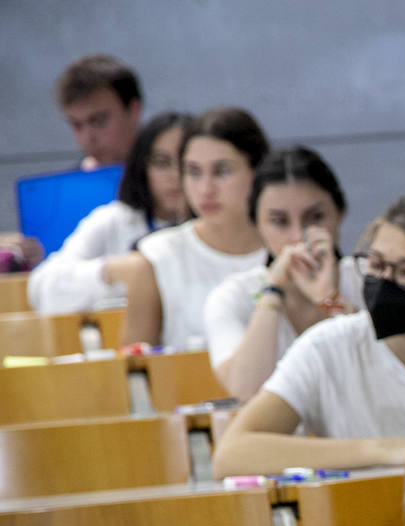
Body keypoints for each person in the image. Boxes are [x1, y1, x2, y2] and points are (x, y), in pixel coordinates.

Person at [211, 193, 405, 477]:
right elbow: (232, 454)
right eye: (376, 265)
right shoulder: (326, 346)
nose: (385, 281)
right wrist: (387, 450)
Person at [203, 146, 361, 400]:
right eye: (279, 221)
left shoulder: (368, 278)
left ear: (340, 213)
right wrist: (272, 291)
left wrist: (330, 298)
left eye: (315, 217)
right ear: (257, 225)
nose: (298, 236)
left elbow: (382, 370)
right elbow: (246, 390)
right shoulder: (232, 296)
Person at [109, 107, 268, 349]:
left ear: (257, 171)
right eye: (194, 172)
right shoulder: (157, 257)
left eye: (222, 171)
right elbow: (136, 366)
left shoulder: (285, 247)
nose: (205, 189)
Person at [27, 112, 190, 314]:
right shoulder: (113, 219)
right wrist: (112, 271)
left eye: (187, 165)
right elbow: (42, 289)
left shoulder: (217, 225)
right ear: (142, 167)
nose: (175, 175)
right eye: (162, 163)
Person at [54, 54, 143, 170]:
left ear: (134, 111)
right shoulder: (77, 179)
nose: (87, 138)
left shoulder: (166, 174)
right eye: (77, 125)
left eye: (99, 121)